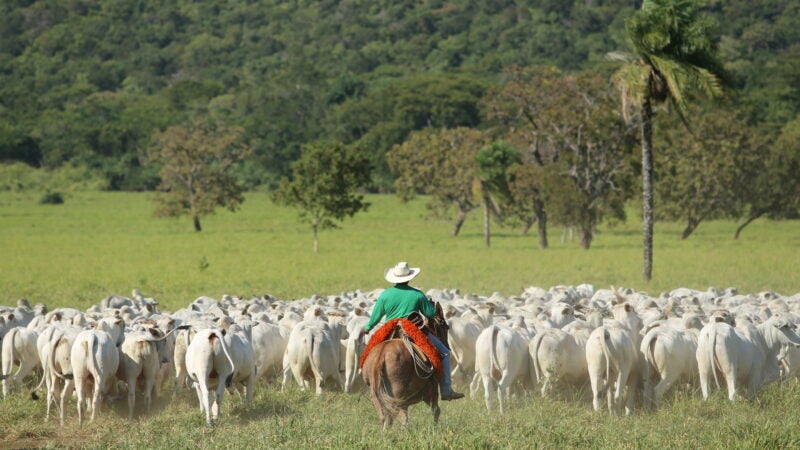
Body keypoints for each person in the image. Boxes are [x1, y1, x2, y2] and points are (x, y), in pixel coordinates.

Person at [361, 261, 465, 401]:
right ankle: (446, 390)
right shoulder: (417, 295)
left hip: (389, 329)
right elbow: (430, 314)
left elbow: (375, 317)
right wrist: (429, 305)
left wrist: (367, 328)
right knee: (445, 352)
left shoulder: (385, 295)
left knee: (370, 352)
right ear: (409, 278)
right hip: (411, 330)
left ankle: (367, 379)